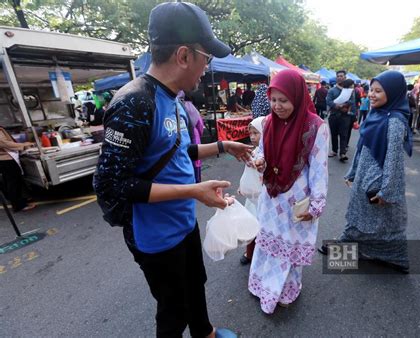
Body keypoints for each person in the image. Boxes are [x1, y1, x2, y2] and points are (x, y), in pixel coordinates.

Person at [93, 3, 253, 337]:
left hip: (182, 222)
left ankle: (205, 333)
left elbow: (179, 151)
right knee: (173, 310)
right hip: (154, 236)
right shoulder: (133, 102)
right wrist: (193, 191)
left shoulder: (175, 99)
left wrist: (225, 145)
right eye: (205, 57)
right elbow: (113, 184)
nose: (206, 68)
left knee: (195, 284)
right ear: (183, 55)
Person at [248, 69, 329, 314]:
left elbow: (319, 169)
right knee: (268, 243)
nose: (277, 106)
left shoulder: (316, 127)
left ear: (297, 96)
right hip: (271, 197)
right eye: (273, 100)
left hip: (296, 199)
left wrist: (317, 203)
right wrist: (259, 161)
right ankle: (262, 284)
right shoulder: (268, 122)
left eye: (283, 100)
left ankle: (286, 289)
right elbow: (260, 150)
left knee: (290, 245)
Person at [319, 70, 413, 273]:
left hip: (378, 179)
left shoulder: (395, 120)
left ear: (394, 92)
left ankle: (391, 256)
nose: (372, 94)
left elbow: (394, 159)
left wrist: (386, 190)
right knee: (365, 215)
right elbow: (363, 146)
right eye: (371, 89)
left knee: (379, 219)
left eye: (379, 91)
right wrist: (353, 172)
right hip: (365, 173)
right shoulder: (377, 113)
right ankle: (368, 251)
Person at [238, 116, 265, 265]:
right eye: (251, 133)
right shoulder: (253, 151)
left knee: (262, 228)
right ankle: (249, 253)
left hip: (264, 198)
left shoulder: (270, 153)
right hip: (252, 198)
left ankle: (260, 255)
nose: (252, 137)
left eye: (256, 133)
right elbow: (247, 174)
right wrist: (243, 186)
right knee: (251, 226)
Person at [0, 126, 36, 212]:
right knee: (13, 182)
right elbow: (4, 143)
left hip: (6, 158)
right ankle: (19, 205)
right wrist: (22, 145)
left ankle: (19, 201)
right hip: (5, 159)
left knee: (12, 181)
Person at [327, 70, 353, 162]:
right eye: (338, 76)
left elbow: (352, 101)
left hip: (345, 116)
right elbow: (328, 101)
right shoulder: (331, 90)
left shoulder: (349, 91)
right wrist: (337, 106)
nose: (340, 77)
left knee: (344, 135)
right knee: (334, 134)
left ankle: (342, 153)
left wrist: (344, 105)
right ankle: (334, 150)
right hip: (333, 115)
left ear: (345, 78)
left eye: (342, 76)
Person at [178, 90, 205, 182]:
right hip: (194, 137)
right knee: (196, 164)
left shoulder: (171, 105)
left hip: (180, 143)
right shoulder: (191, 107)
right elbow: (200, 125)